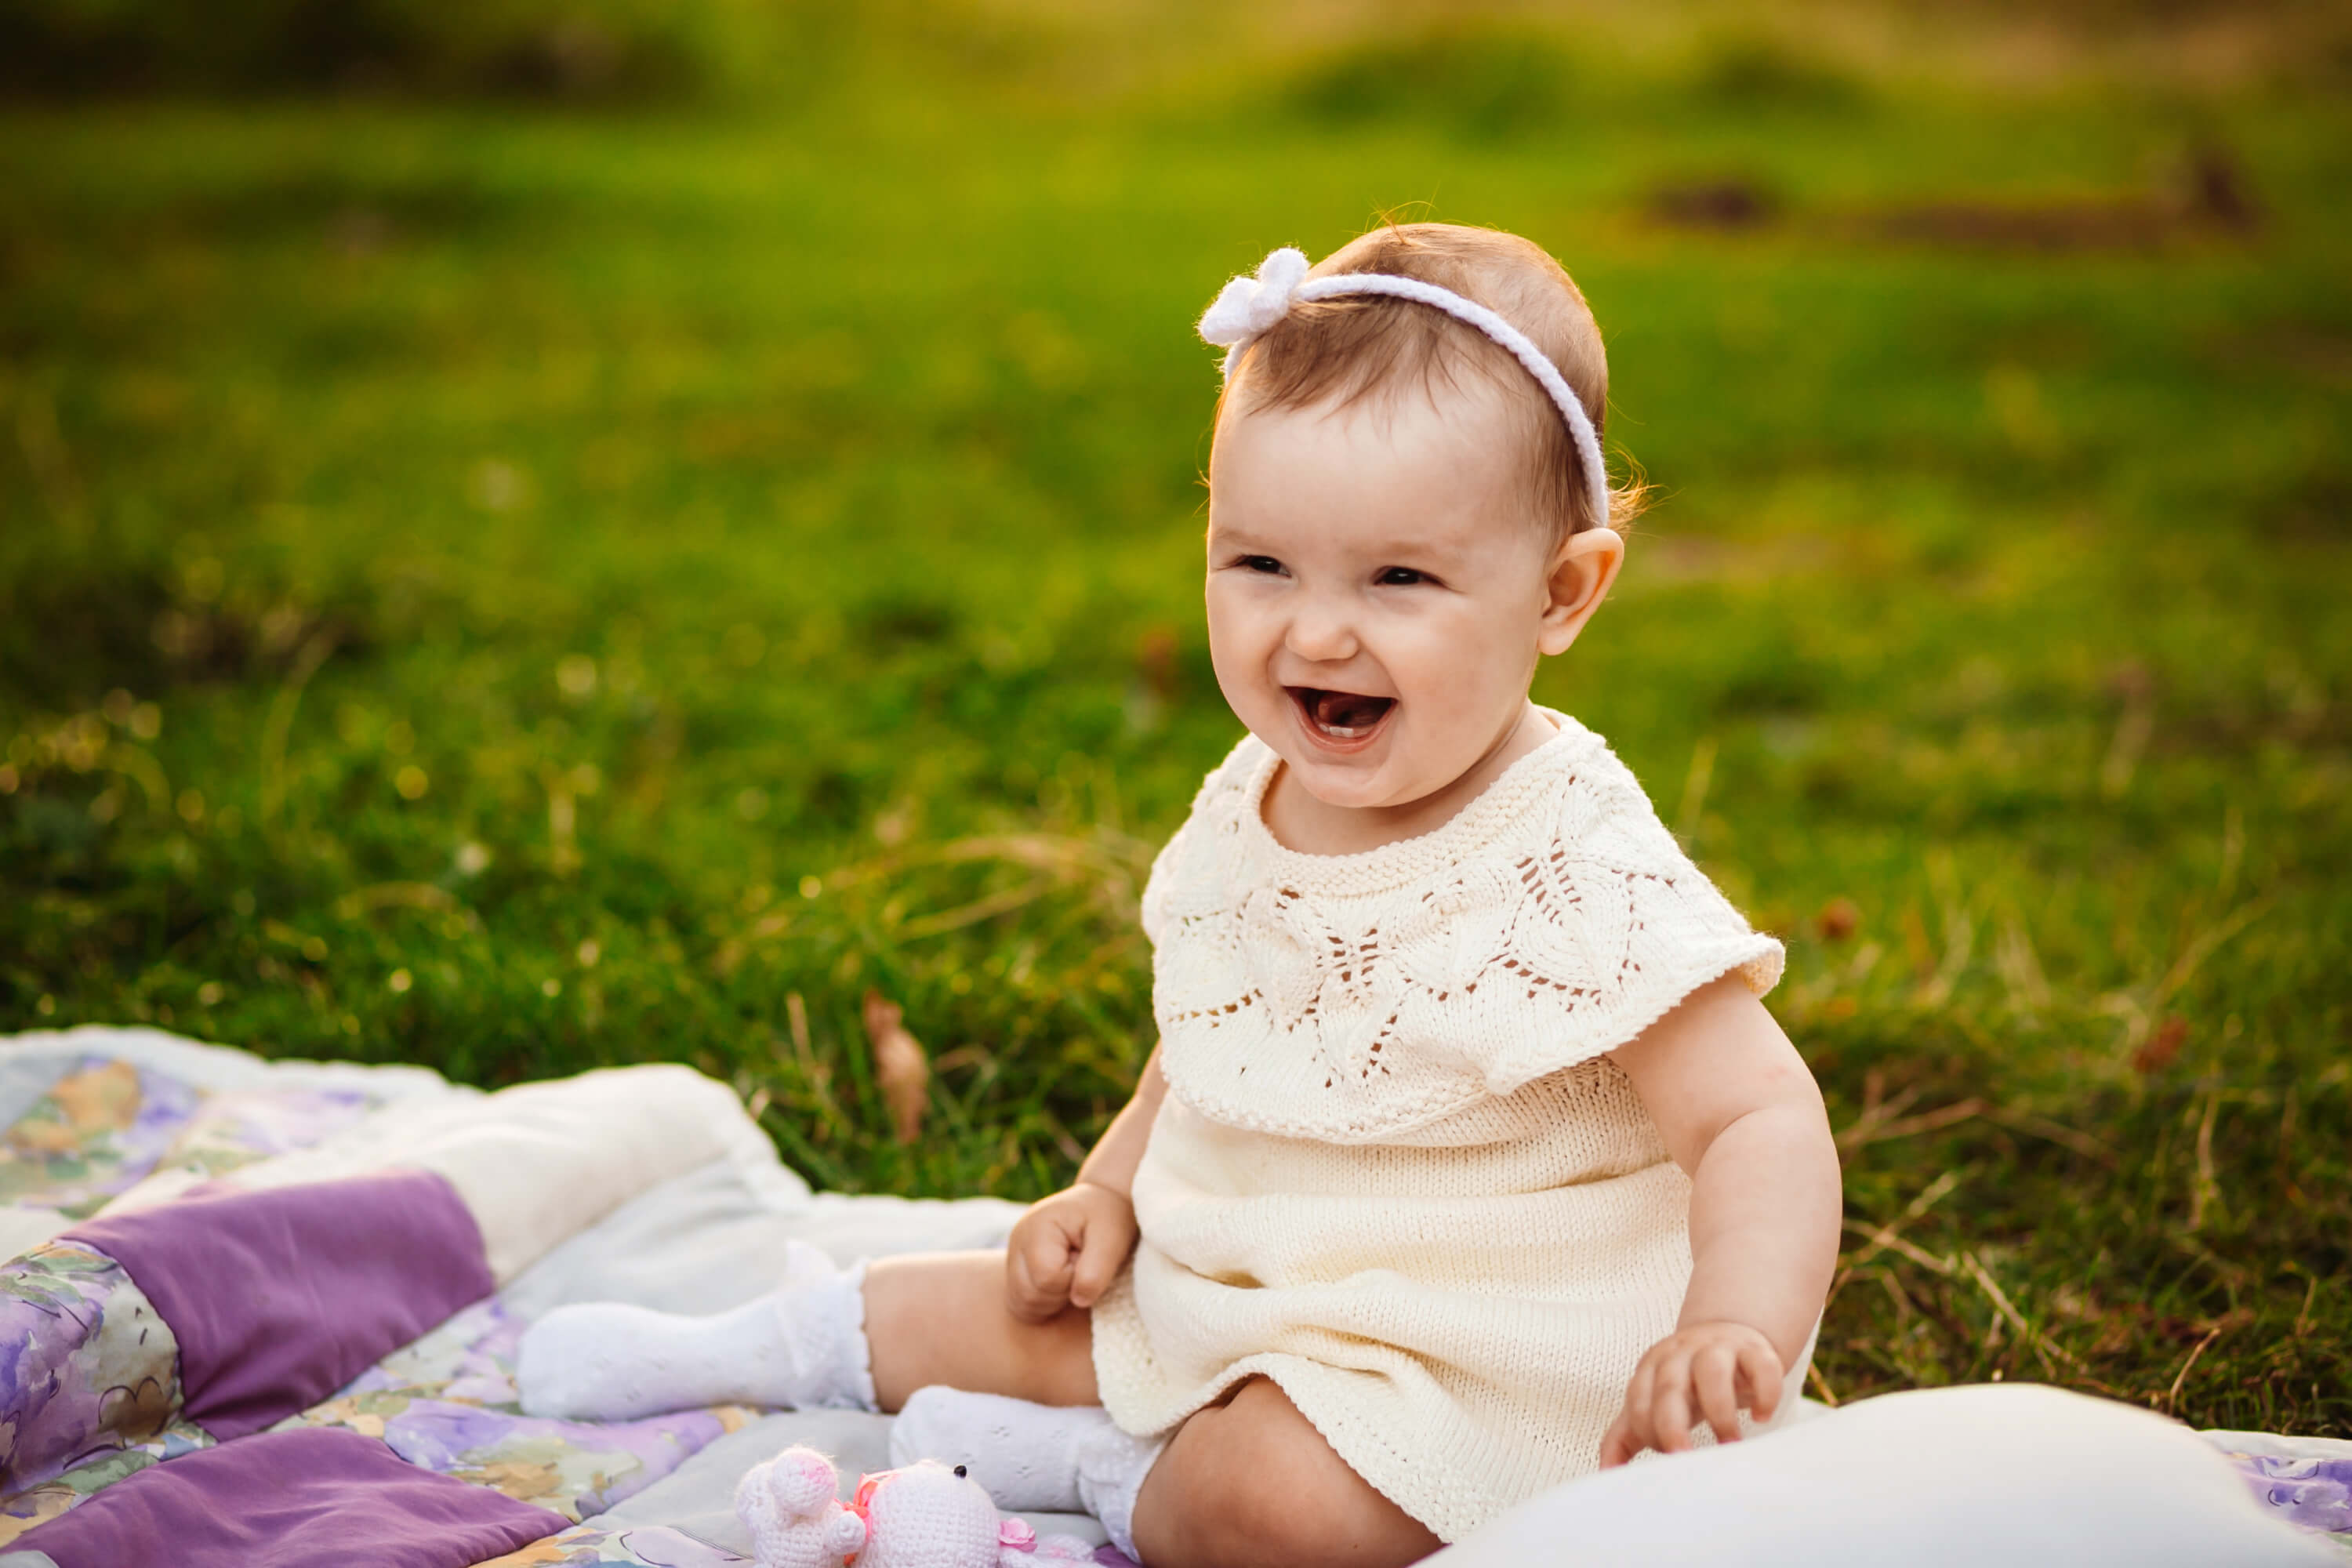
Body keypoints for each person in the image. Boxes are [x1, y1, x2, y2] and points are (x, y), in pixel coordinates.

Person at [517, 223, 1843, 1568]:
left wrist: (1732, 1325)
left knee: (1271, 1503)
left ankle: (1101, 1470)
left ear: (1560, 592)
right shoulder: (1259, 792)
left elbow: (1759, 1116)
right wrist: (1107, 1186)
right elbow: (1220, 1029)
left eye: (1398, 578)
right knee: (1021, 1301)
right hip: (1244, 1279)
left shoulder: (1570, 854)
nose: (1315, 630)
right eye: (1261, 564)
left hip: (1472, 1352)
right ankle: (747, 1344)